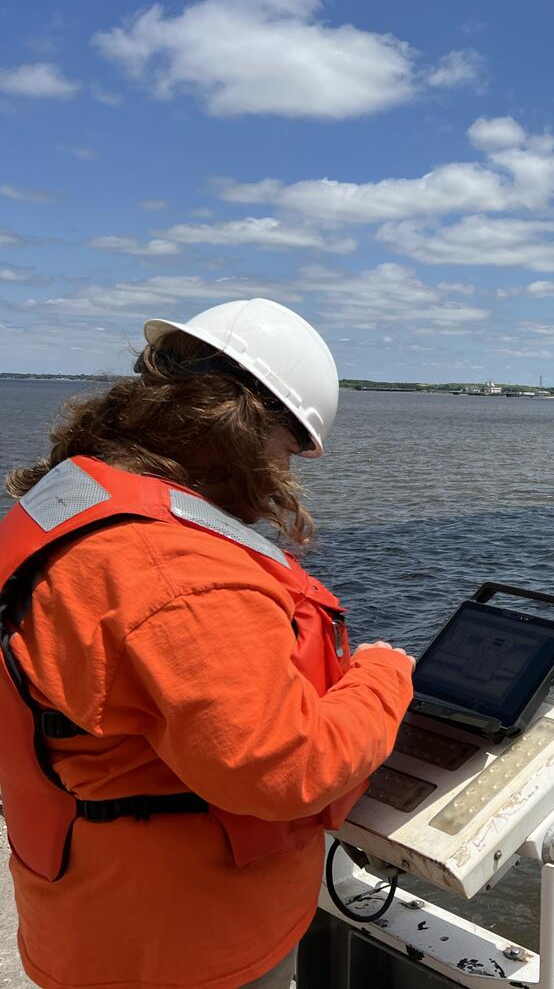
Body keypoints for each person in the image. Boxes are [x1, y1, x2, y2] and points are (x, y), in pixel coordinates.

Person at [0, 299, 416, 988]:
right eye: (290, 451)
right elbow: (284, 767)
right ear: (251, 428)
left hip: (84, 920)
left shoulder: (68, 504)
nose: (287, 473)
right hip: (186, 950)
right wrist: (384, 674)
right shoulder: (178, 571)